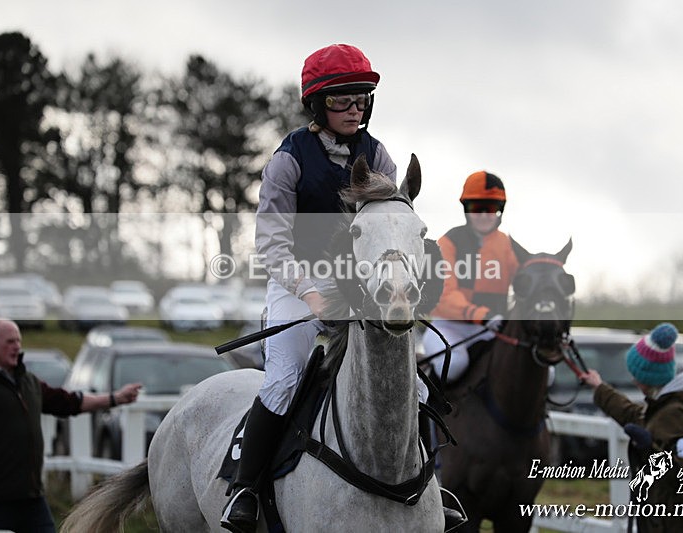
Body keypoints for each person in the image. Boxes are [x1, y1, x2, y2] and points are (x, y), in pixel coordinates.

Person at [221, 43, 463, 533]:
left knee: (410, 386)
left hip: (361, 288)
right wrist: (311, 293)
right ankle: (244, 488)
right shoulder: (288, 162)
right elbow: (271, 244)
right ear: (317, 105)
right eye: (341, 101)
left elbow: (393, 228)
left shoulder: (378, 156)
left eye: (361, 99)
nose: (354, 109)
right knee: (284, 378)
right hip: (297, 284)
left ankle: (430, 485)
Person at [0, 318, 142, 533]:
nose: (17, 346)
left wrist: (115, 398)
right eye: (9, 341)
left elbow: (69, 402)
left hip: (32, 500)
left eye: (18, 340)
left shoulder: (29, 383)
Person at [581, 323, 683, 532]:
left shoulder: (675, 415)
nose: (632, 378)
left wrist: (648, 449)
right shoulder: (664, 408)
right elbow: (632, 414)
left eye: (635, 373)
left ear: (648, 377)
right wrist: (599, 387)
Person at [421, 171, 519, 383]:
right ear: (466, 210)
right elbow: (445, 296)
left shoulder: (508, 246)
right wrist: (483, 315)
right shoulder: (447, 243)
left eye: (491, 208)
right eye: (477, 208)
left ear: (500, 211)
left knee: (544, 372)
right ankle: (423, 409)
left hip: (491, 328)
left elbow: (524, 282)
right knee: (454, 366)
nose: (484, 215)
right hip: (449, 327)